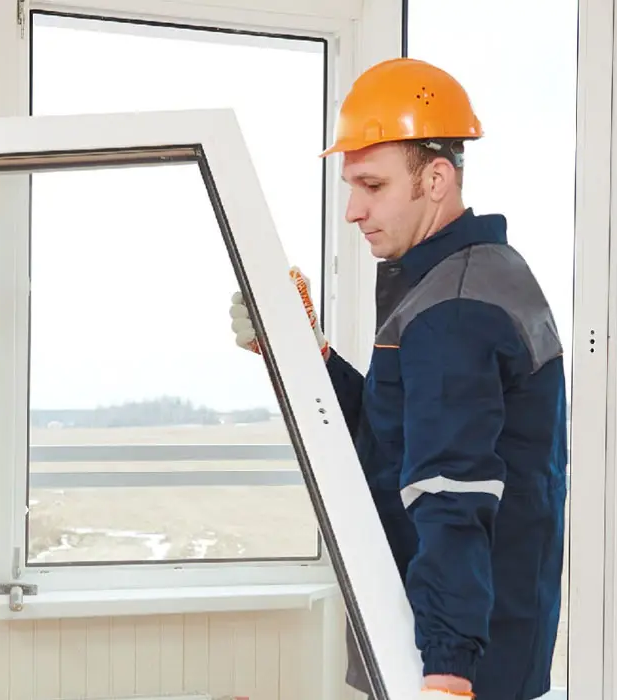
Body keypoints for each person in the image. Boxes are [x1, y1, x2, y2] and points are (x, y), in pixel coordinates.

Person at [231, 57, 567, 699]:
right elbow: (393, 440)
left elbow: (451, 495)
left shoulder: (455, 309)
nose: (354, 210)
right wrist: (310, 357)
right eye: (350, 186)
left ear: (436, 178)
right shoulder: (458, 281)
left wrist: (445, 675)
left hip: (456, 656)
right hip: (456, 635)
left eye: (373, 185)